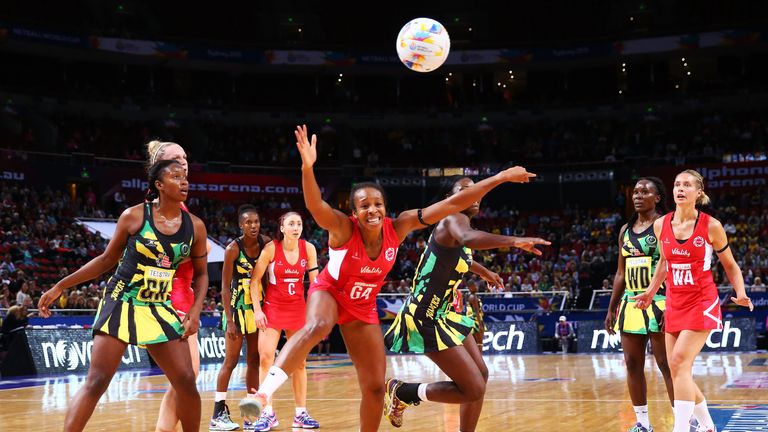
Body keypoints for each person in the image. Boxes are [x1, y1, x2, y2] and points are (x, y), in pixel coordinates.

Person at [239, 125, 539, 432]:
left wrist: (500, 178)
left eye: (377, 204)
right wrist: (307, 168)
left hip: (362, 307)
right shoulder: (343, 228)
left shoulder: (400, 226)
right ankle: (266, 391)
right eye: (364, 206)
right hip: (330, 292)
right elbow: (316, 206)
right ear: (354, 212)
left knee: (373, 388)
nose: (372, 210)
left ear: (386, 208)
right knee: (318, 325)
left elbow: (452, 204)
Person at [38, 159, 209, 432]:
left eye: (185, 176)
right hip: (122, 301)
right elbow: (106, 260)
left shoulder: (196, 226)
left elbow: (201, 274)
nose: (184, 181)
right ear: (159, 185)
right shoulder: (135, 216)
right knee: (97, 380)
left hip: (158, 306)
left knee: (186, 381)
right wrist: (61, 285)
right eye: (176, 176)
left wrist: (195, 311)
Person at [382, 176, 549, 431]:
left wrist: (485, 273)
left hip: (444, 313)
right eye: (465, 190)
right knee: (472, 388)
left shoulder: (457, 226)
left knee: (481, 376)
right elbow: (469, 239)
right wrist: (513, 241)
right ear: (451, 198)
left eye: (476, 189)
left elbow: (464, 257)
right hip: (424, 316)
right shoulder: (452, 219)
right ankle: (404, 391)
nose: (475, 194)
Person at [633, 169, 753, 432]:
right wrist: (651, 292)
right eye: (677, 184)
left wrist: (741, 292)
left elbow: (731, 265)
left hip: (702, 301)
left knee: (677, 363)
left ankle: (682, 428)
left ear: (699, 193)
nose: (680, 188)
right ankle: (708, 425)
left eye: (687, 185)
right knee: (679, 370)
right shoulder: (661, 224)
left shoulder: (711, 226)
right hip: (674, 302)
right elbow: (664, 263)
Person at [604, 177, 674, 432]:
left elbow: (673, 265)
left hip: (661, 301)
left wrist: (673, 304)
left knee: (667, 365)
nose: (638, 195)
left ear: (657, 198)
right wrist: (611, 308)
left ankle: (683, 419)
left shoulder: (665, 224)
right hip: (631, 302)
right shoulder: (625, 230)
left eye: (645, 192)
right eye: (635, 191)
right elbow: (621, 273)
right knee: (633, 365)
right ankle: (642, 423)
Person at [147, 141, 207, 432]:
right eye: (176, 158)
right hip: (168, 299)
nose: (184, 162)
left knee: (185, 378)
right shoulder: (155, 209)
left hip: (182, 296)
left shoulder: (179, 206)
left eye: (185, 156)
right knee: (185, 377)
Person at [249, 211, 320, 431]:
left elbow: (315, 284)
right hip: (272, 310)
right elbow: (254, 282)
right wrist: (258, 310)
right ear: (282, 228)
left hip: (297, 309)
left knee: (299, 362)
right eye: (291, 224)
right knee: (265, 359)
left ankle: (301, 413)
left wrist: (314, 310)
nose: (296, 227)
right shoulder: (271, 249)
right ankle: (267, 413)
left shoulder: (308, 249)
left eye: (299, 223)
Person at [211, 205, 270, 431]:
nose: (253, 226)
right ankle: (218, 413)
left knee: (254, 359)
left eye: (256, 221)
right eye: (248, 222)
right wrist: (230, 319)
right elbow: (224, 287)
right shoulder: (232, 249)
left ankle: (250, 412)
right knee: (231, 361)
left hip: (256, 309)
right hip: (236, 309)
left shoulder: (266, 243)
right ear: (240, 225)